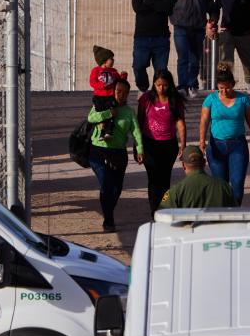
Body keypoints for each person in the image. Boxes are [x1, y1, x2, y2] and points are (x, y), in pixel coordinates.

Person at [198, 62, 250, 206]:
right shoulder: (211, 99)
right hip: (216, 146)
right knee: (221, 184)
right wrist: (202, 141)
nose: (224, 91)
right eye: (221, 88)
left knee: (237, 182)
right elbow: (204, 121)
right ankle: (223, 214)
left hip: (238, 146)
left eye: (227, 88)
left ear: (233, 84)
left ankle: (235, 210)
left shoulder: (243, 99)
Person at [87, 79, 143, 232]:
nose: (121, 95)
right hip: (98, 151)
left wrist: (140, 150)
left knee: (116, 188)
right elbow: (91, 118)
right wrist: (107, 113)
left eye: (124, 93)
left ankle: (108, 213)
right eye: (118, 91)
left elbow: (136, 132)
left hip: (118, 153)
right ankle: (108, 219)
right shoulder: (101, 104)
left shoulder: (129, 112)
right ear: (113, 91)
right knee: (106, 183)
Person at [137, 69, 186, 214]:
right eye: (158, 85)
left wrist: (182, 144)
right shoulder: (145, 99)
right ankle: (154, 211)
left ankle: (164, 210)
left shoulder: (175, 100)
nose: (161, 88)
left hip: (168, 145)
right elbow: (139, 122)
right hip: (149, 144)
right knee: (153, 179)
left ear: (170, 85)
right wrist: (137, 146)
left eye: (165, 85)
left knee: (165, 180)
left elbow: (180, 123)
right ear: (153, 84)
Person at [169, 0, 214, 99]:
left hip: (198, 28)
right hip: (181, 28)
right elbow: (168, 4)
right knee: (183, 57)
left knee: (195, 58)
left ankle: (193, 85)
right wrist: (175, 18)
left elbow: (209, 3)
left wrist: (212, 19)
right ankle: (182, 87)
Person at [131, 0, 176, 93]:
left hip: (161, 37)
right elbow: (138, 8)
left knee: (161, 70)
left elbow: (168, 8)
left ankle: (159, 94)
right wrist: (158, 4)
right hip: (142, 37)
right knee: (138, 66)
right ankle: (143, 89)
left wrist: (149, 2)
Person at [158, 146, 236, 210]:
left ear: (183, 165)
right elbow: (235, 213)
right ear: (204, 163)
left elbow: (161, 215)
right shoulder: (224, 187)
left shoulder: (175, 192)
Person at [89, 45, 127, 137]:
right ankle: (101, 132)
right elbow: (92, 82)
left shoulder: (113, 71)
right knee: (101, 115)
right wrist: (102, 85)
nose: (113, 60)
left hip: (110, 97)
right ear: (104, 60)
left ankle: (109, 131)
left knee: (112, 114)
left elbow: (119, 81)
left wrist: (123, 77)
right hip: (99, 98)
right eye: (111, 58)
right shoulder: (96, 71)